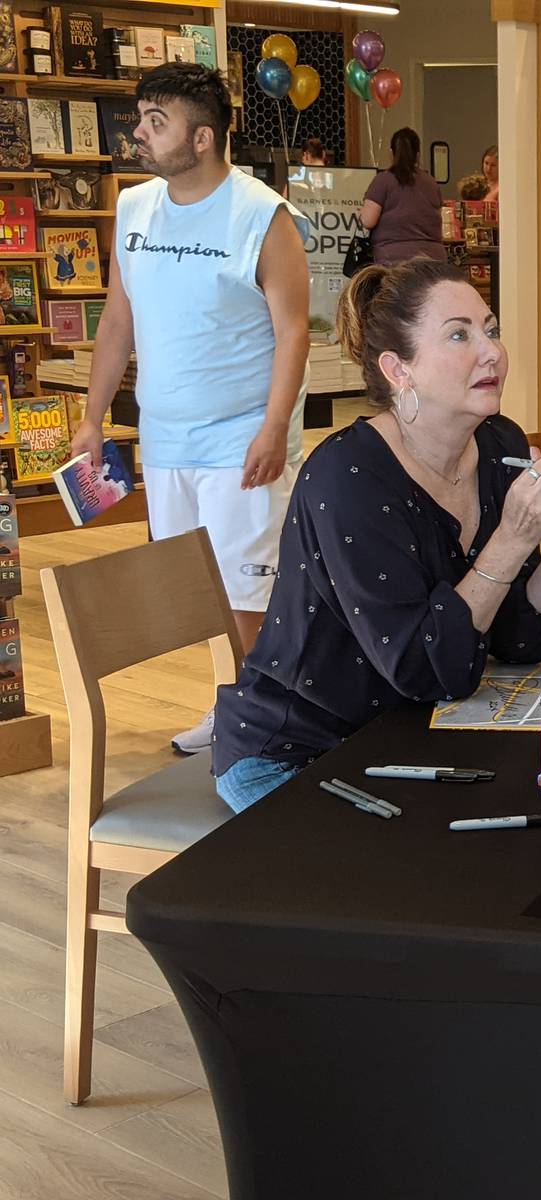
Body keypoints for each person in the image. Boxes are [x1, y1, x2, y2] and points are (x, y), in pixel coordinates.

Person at [211, 258, 541, 811]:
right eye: (459, 335)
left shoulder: (498, 444)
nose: (491, 351)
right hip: (301, 750)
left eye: (490, 329)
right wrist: (514, 537)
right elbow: (422, 668)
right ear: (399, 370)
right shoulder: (346, 477)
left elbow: (518, 636)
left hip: (408, 733)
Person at [66, 62, 309, 756]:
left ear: (202, 138)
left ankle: (261, 717)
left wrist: (271, 428)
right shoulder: (136, 207)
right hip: (165, 438)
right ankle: (228, 705)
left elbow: (294, 330)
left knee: (246, 595)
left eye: (155, 121)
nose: (138, 133)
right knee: (196, 590)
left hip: (241, 440)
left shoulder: (262, 214)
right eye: (140, 118)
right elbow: (119, 319)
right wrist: (92, 418)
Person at [359, 127, 445, 266]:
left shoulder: (383, 180)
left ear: (392, 153)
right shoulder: (431, 182)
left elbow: (368, 220)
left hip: (392, 261)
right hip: (433, 260)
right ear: (418, 155)